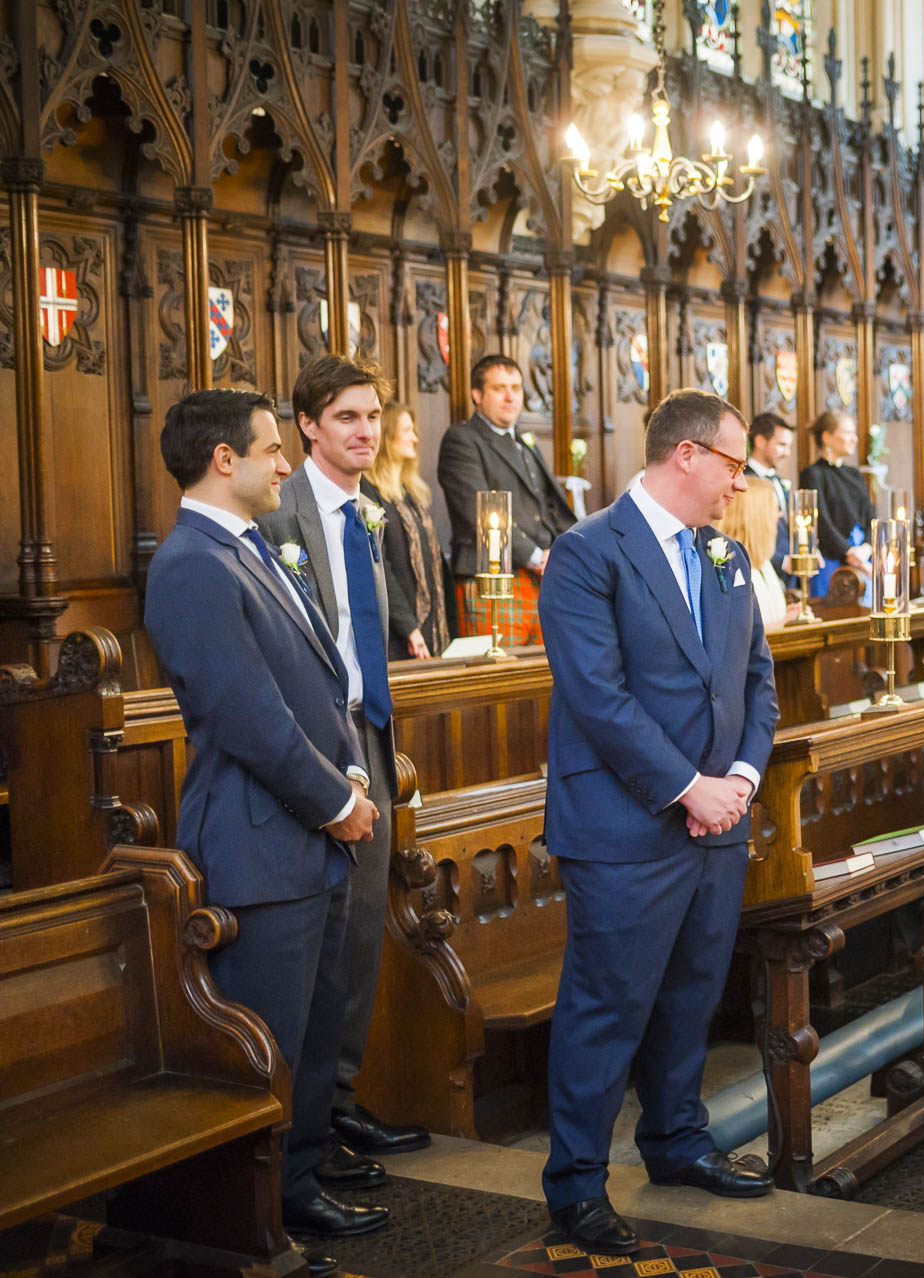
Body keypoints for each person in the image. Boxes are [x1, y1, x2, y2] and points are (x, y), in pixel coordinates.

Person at [145, 389, 387, 1273]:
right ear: (223, 460)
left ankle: (298, 1186)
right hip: (258, 838)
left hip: (310, 827)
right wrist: (335, 800)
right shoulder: (190, 564)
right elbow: (246, 715)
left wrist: (351, 773)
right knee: (269, 1041)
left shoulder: (249, 547)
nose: (285, 462)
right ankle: (256, 1222)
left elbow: (321, 681)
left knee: (315, 1027)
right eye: (271, 449)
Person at [539, 389, 779, 1255]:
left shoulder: (724, 554)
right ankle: (575, 1185)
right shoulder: (587, 552)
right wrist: (689, 786)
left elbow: (757, 678)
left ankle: (677, 1142)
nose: (737, 482)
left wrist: (742, 776)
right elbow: (597, 698)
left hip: (719, 821)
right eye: (732, 463)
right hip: (626, 824)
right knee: (607, 1007)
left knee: (690, 998)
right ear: (686, 454)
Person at [256, 355, 432, 1180]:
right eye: (347, 420)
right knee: (323, 944)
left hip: (367, 730)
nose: (365, 432)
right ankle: (306, 1133)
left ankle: (340, 1102)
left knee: (362, 936)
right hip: (316, 742)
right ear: (308, 427)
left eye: (372, 417)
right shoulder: (280, 511)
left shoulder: (372, 510)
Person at [438, 355, 578, 643]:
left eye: (516, 388)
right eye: (500, 388)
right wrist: (539, 557)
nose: (510, 396)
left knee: (543, 676)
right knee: (498, 678)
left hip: (543, 578)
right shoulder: (462, 440)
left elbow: (550, 506)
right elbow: (476, 510)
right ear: (477, 394)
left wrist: (567, 552)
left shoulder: (525, 441)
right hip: (492, 579)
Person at [365, 400, 450, 660]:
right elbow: (381, 565)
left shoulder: (411, 491)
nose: (414, 438)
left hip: (431, 622)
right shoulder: (369, 492)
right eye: (407, 431)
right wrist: (409, 627)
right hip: (400, 628)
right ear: (387, 437)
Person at [796, 410, 874, 597]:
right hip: (831, 560)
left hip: (862, 557)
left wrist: (866, 548)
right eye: (847, 433)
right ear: (827, 437)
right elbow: (821, 521)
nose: (854, 439)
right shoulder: (813, 474)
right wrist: (850, 554)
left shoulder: (854, 474)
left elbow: (871, 517)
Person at [721, 476, 800, 631]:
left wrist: (787, 614)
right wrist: (784, 622)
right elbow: (742, 634)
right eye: (774, 509)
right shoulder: (728, 566)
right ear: (756, 517)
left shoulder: (763, 562)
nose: (779, 516)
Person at [744, 412, 796, 587]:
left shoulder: (779, 482)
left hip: (788, 578)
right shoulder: (744, 482)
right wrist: (781, 561)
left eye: (789, 446)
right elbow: (743, 532)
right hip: (760, 574)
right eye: (781, 445)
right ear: (760, 441)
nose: (787, 453)